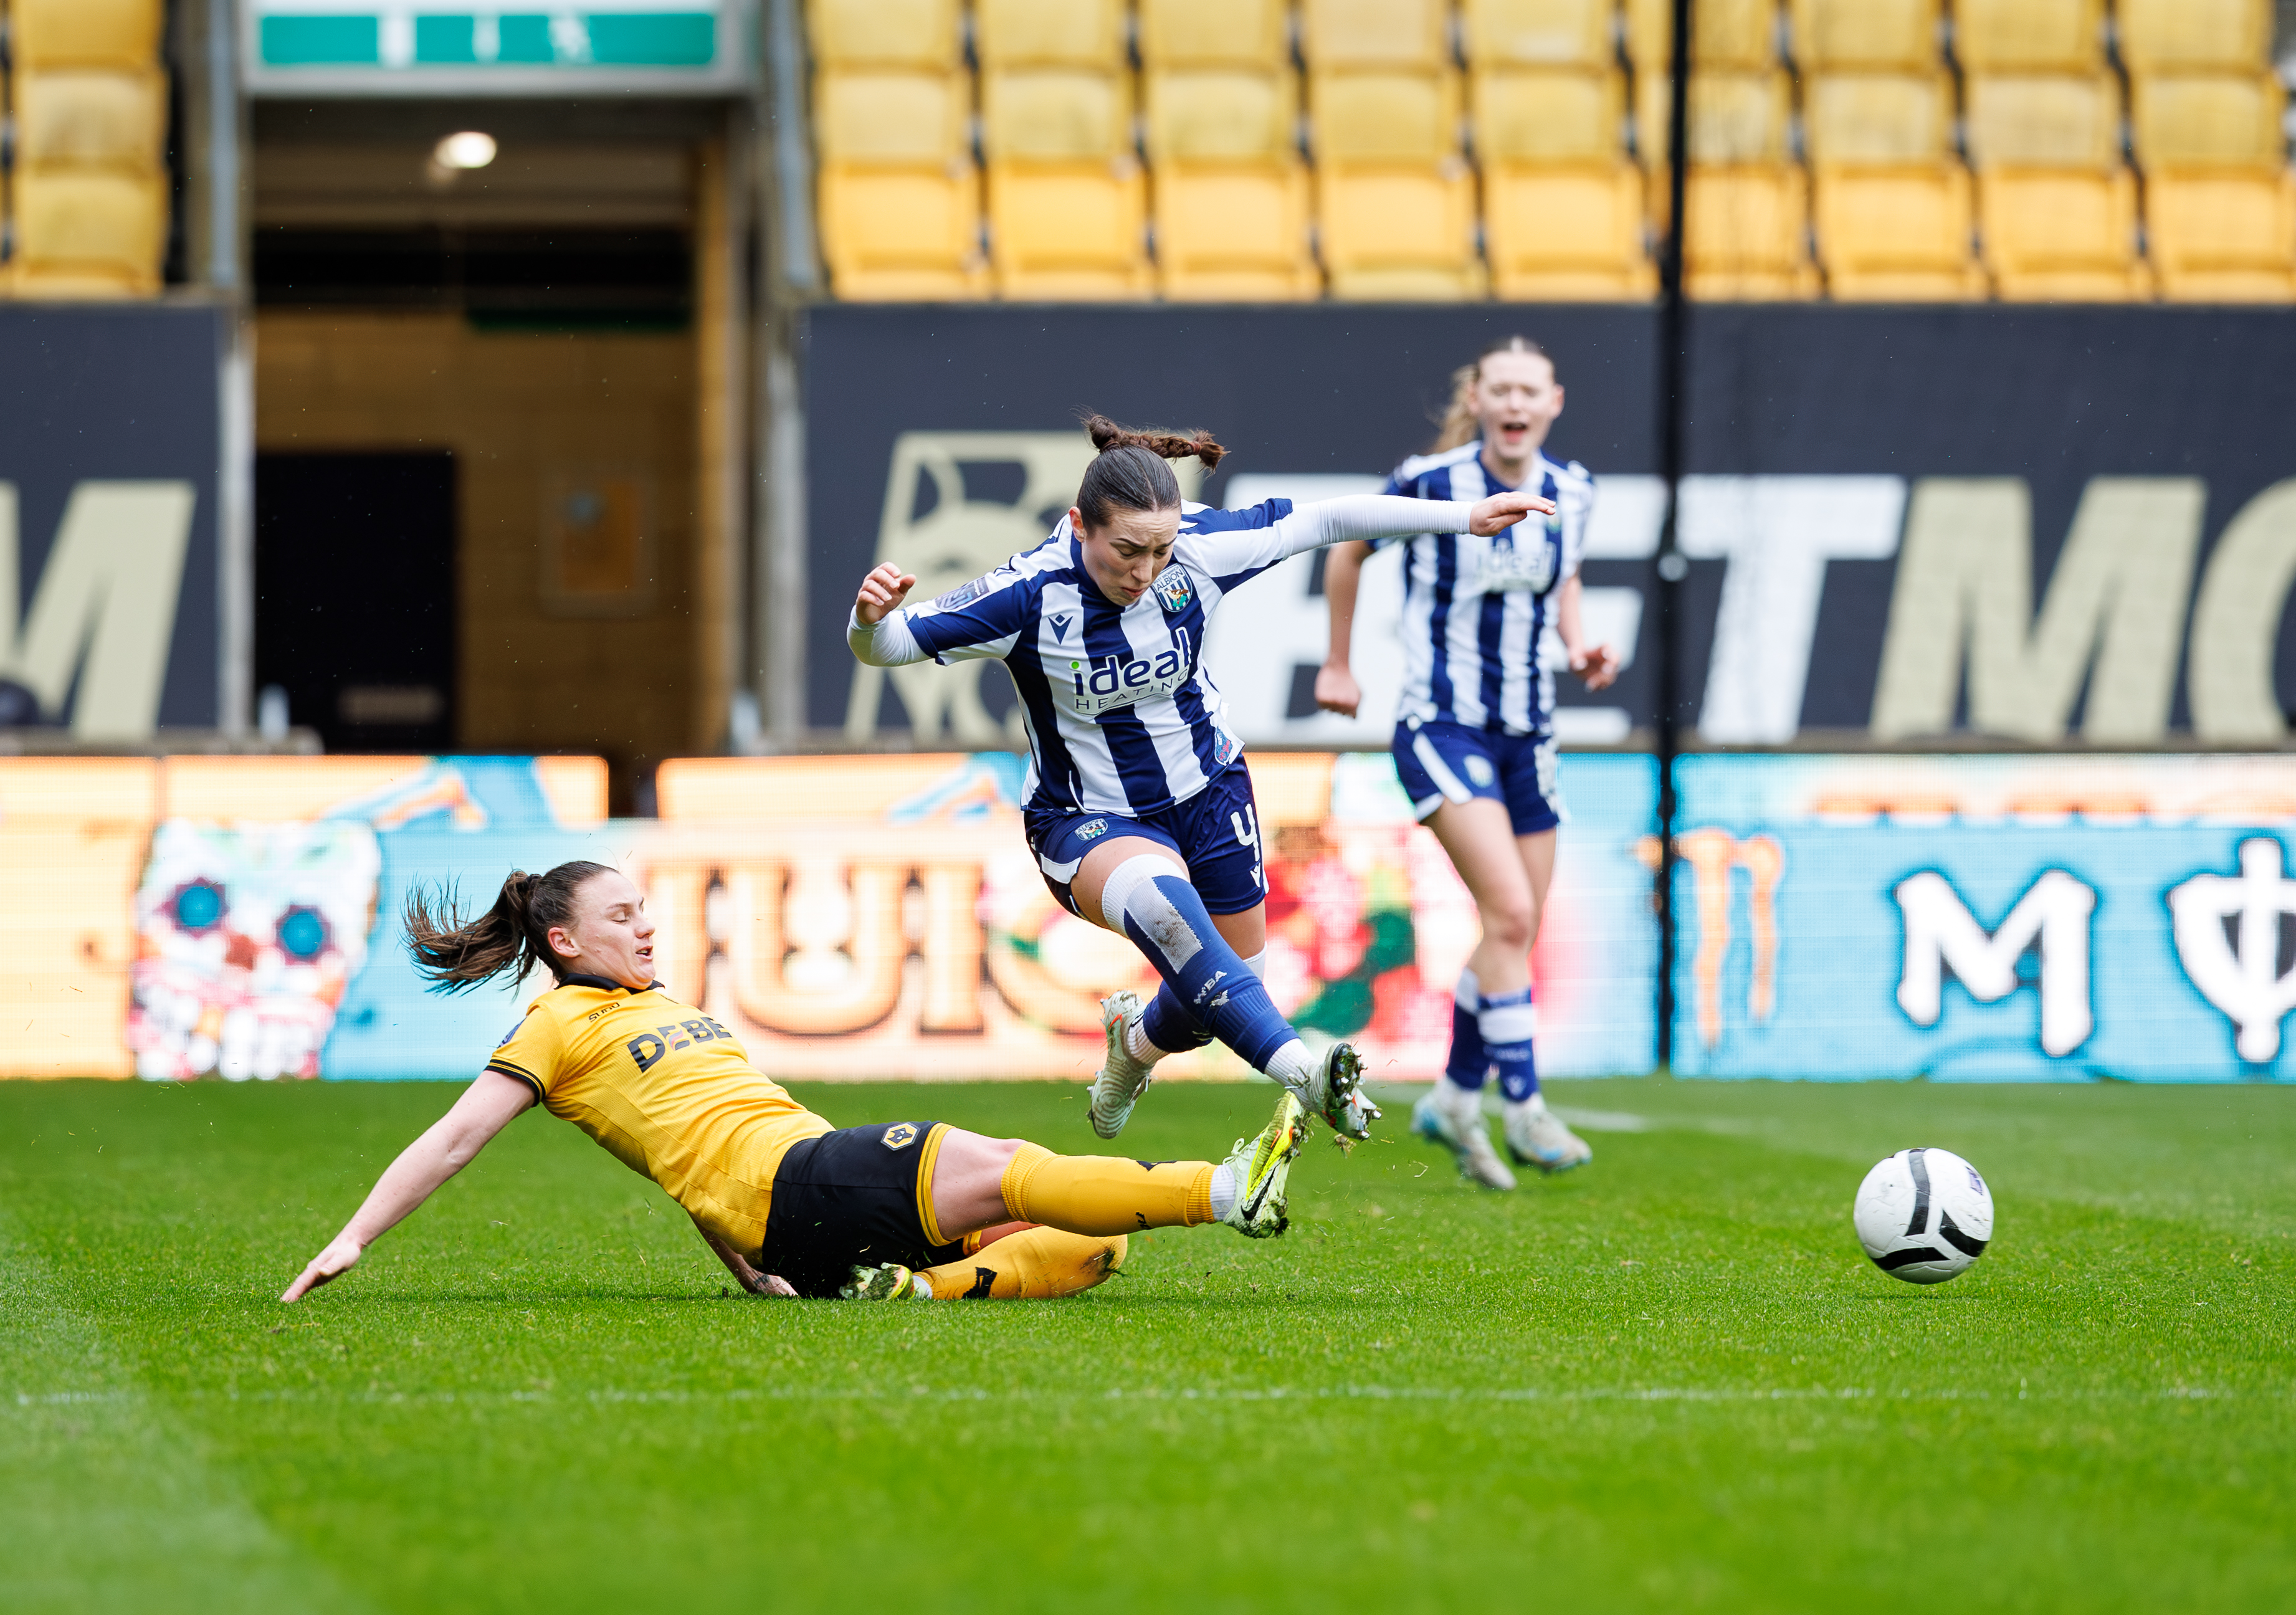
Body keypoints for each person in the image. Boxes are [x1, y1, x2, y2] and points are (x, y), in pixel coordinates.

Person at [848, 414, 1551, 1147]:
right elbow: (892, 645)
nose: (1144, 571)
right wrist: (869, 621)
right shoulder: (1028, 595)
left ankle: (1134, 1051)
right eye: (1126, 551)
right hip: (1088, 817)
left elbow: (1332, 519)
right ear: (1078, 525)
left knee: (1224, 980)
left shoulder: (1204, 550)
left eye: (1160, 550)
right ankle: (1305, 1075)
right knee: (1173, 919)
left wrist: (1464, 519)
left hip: (1210, 789)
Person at [281, 861, 1313, 1306]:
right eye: (623, 916)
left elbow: (679, 1162)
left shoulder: (656, 1007)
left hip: (800, 1216)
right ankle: (1223, 1191)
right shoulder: (557, 1022)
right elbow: (455, 1137)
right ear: (564, 940)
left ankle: (913, 1294)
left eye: (646, 910)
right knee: (1008, 1166)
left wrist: (752, 1275)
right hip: (805, 1183)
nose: (646, 924)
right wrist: (353, 1234)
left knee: (1097, 1243)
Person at [1314, 336, 1619, 1191]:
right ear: (1479, 400)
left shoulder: (1576, 491)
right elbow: (1348, 549)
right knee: (1513, 909)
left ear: (1554, 401)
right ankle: (1522, 1106)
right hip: (1441, 726)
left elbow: (1562, 580)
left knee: (1512, 930)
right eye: (1502, 389)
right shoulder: (1430, 479)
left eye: (1531, 390)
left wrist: (1579, 645)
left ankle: (1453, 1097)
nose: (1517, 403)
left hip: (1531, 732)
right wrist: (1339, 662)